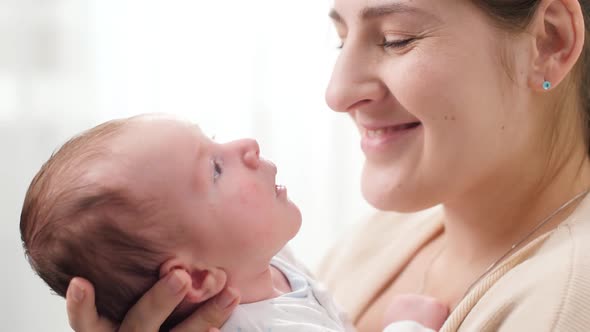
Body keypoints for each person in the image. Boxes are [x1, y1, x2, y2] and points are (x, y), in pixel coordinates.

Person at [64, 0, 590, 331]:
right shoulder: (383, 235)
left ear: (550, 42)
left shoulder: (568, 302)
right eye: (341, 39)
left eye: (396, 39)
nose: (337, 93)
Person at [21, 114, 447, 332]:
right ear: (197, 277)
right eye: (215, 170)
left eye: (214, 140)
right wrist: (408, 325)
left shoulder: (261, 262)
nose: (246, 145)